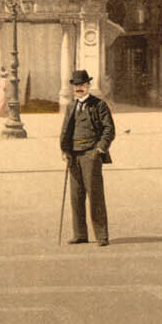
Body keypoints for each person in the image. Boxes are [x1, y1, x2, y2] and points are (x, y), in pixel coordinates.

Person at [58, 69, 115, 247]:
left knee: (95, 196)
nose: (79, 89)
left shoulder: (99, 105)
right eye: (76, 86)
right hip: (73, 155)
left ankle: (101, 235)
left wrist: (99, 149)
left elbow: (109, 129)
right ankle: (80, 234)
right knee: (76, 196)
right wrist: (65, 150)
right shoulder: (71, 106)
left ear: (88, 85)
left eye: (82, 85)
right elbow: (65, 129)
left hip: (91, 154)